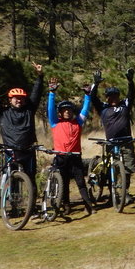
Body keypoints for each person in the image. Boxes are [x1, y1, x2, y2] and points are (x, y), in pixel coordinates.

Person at [0, 62, 44, 188]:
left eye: (21, 98)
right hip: (10, 151)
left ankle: (32, 206)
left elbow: (36, 94)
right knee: (12, 180)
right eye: (15, 98)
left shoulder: (29, 110)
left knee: (31, 180)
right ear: (10, 99)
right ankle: (13, 206)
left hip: (28, 150)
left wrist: (40, 76)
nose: (19, 100)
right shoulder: (3, 113)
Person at [46, 77, 94, 215]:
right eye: (64, 110)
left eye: (70, 110)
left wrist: (87, 96)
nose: (67, 112)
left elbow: (85, 109)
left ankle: (88, 205)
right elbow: (50, 109)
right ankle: (66, 206)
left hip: (75, 157)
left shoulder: (78, 123)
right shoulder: (55, 122)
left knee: (80, 182)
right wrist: (52, 93)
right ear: (60, 112)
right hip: (61, 157)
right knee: (64, 182)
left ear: (73, 112)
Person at [91, 68, 135, 198]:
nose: (113, 98)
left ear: (118, 96)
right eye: (110, 96)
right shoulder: (103, 108)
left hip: (126, 142)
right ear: (107, 98)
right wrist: (95, 84)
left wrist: (130, 81)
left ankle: (125, 192)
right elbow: (93, 98)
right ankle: (114, 192)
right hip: (111, 143)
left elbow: (131, 94)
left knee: (127, 168)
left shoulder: (125, 105)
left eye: (115, 96)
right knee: (113, 168)